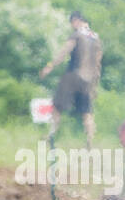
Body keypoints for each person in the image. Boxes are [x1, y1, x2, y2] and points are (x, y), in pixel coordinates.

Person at [41, 12, 103, 148]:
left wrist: (49, 66)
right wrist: (94, 85)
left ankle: (51, 135)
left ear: (76, 21)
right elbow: (98, 65)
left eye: (72, 23)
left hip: (73, 76)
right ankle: (90, 141)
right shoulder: (96, 38)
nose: (72, 26)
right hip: (88, 81)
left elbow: (63, 52)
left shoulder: (76, 35)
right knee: (87, 112)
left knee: (57, 106)